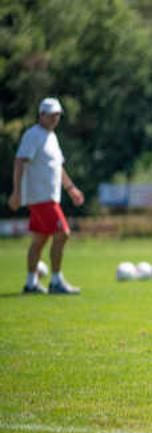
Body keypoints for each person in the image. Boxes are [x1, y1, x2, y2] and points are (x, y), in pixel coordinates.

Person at [9, 97, 83, 295]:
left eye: (57, 115)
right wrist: (17, 192)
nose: (54, 119)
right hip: (41, 197)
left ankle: (31, 283)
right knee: (63, 233)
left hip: (49, 196)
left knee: (40, 240)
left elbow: (58, 167)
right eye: (51, 115)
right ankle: (56, 281)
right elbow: (19, 161)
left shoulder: (52, 137)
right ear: (41, 115)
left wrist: (71, 189)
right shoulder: (33, 135)